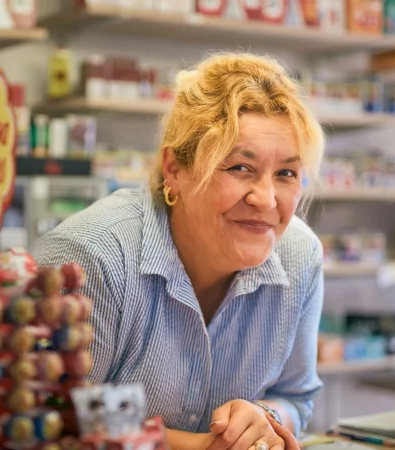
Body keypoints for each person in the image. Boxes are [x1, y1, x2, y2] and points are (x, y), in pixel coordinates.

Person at [33, 52, 325, 450]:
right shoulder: (93, 257)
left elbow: (295, 397)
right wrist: (199, 446)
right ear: (174, 170)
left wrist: (262, 419)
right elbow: (58, 411)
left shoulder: (300, 255)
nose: (266, 199)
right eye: (240, 167)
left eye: (286, 173)